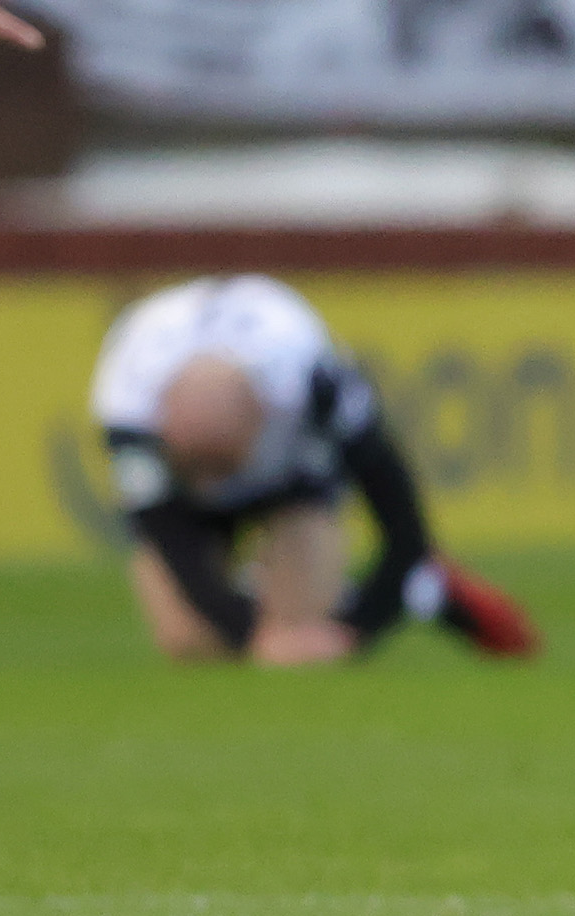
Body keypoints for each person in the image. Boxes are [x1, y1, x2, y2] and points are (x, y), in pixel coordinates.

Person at [90, 275, 541, 665]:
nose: (213, 485)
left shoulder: (315, 381)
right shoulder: (127, 403)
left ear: (261, 415)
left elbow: (400, 517)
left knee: (300, 639)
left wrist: (355, 630)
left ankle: (431, 590)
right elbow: (168, 535)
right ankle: (267, 595)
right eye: (197, 466)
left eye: (223, 465)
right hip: (180, 499)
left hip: (289, 484)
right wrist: (249, 636)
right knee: (191, 644)